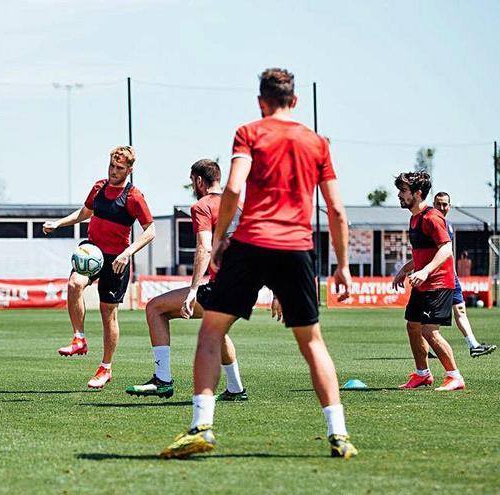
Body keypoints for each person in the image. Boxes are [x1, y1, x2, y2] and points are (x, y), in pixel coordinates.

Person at [160, 68, 357, 459]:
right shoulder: (317, 143)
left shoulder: (249, 132)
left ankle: (201, 426)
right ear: (295, 101)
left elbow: (233, 187)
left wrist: (218, 241)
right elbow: (335, 208)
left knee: (211, 333)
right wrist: (343, 264)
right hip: (296, 248)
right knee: (312, 342)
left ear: (261, 102)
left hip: (251, 243)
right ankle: (339, 435)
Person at [125, 159, 249, 401]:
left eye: (193, 181)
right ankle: (235, 389)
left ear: (199, 181)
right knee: (217, 328)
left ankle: (162, 379)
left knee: (155, 308)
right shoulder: (239, 205)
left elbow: (203, 247)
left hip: (223, 287)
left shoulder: (202, 206)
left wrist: (193, 290)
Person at [43, 146, 155, 389]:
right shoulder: (99, 187)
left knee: (108, 313)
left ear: (130, 170)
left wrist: (127, 253)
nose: (114, 171)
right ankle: (79, 338)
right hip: (91, 252)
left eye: (120, 168)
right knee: (74, 284)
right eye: (112, 166)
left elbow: (151, 231)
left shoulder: (134, 196)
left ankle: (105, 368)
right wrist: (58, 223)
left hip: (117, 259)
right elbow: (84, 213)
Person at [391, 176, 465, 391]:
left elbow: (445, 249)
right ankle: (423, 374)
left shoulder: (432, 217)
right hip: (422, 283)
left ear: (417, 193)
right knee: (413, 326)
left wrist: (424, 271)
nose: (399, 195)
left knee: (429, 331)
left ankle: (455, 376)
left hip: (438, 283)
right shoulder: (414, 219)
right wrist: (405, 270)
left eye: (404, 190)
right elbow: (423, 253)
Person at [428, 193, 494, 357]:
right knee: (431, 316)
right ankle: (432, 349)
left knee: (460, 309)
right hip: (436, 277)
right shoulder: (429, 223)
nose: (442, 208)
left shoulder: (448, 225)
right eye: (439, 204)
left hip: (451, 275)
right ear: (433, 204)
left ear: (449, 206)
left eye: (445, 204)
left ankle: (473, 345)